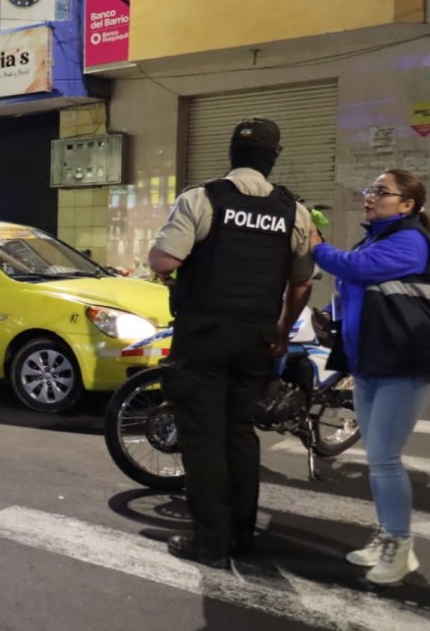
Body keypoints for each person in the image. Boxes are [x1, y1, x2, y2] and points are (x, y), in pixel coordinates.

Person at [148, 117, 314, 569]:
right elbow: (302, 283)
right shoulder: (292, 210)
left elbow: (164, 258)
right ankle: (242, 534)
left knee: (203, 438)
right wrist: (282, 330)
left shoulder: (202, 198)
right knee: (239, 433)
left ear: (231, 154)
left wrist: (168, 271)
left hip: (204, 336)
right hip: (256, 338)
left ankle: (210, 540)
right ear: (272, 158)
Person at [309, 168, 430, 586]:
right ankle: (389, 534)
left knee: (386, 460)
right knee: (378, 459)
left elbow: (356, 267)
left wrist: (316, 245)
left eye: (381, 192)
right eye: (370, 190)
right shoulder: (376, 238)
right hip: (371, 363)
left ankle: (400, 546)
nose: (370, 197)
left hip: (405, 364)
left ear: (407, 205)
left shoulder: (410, 240)